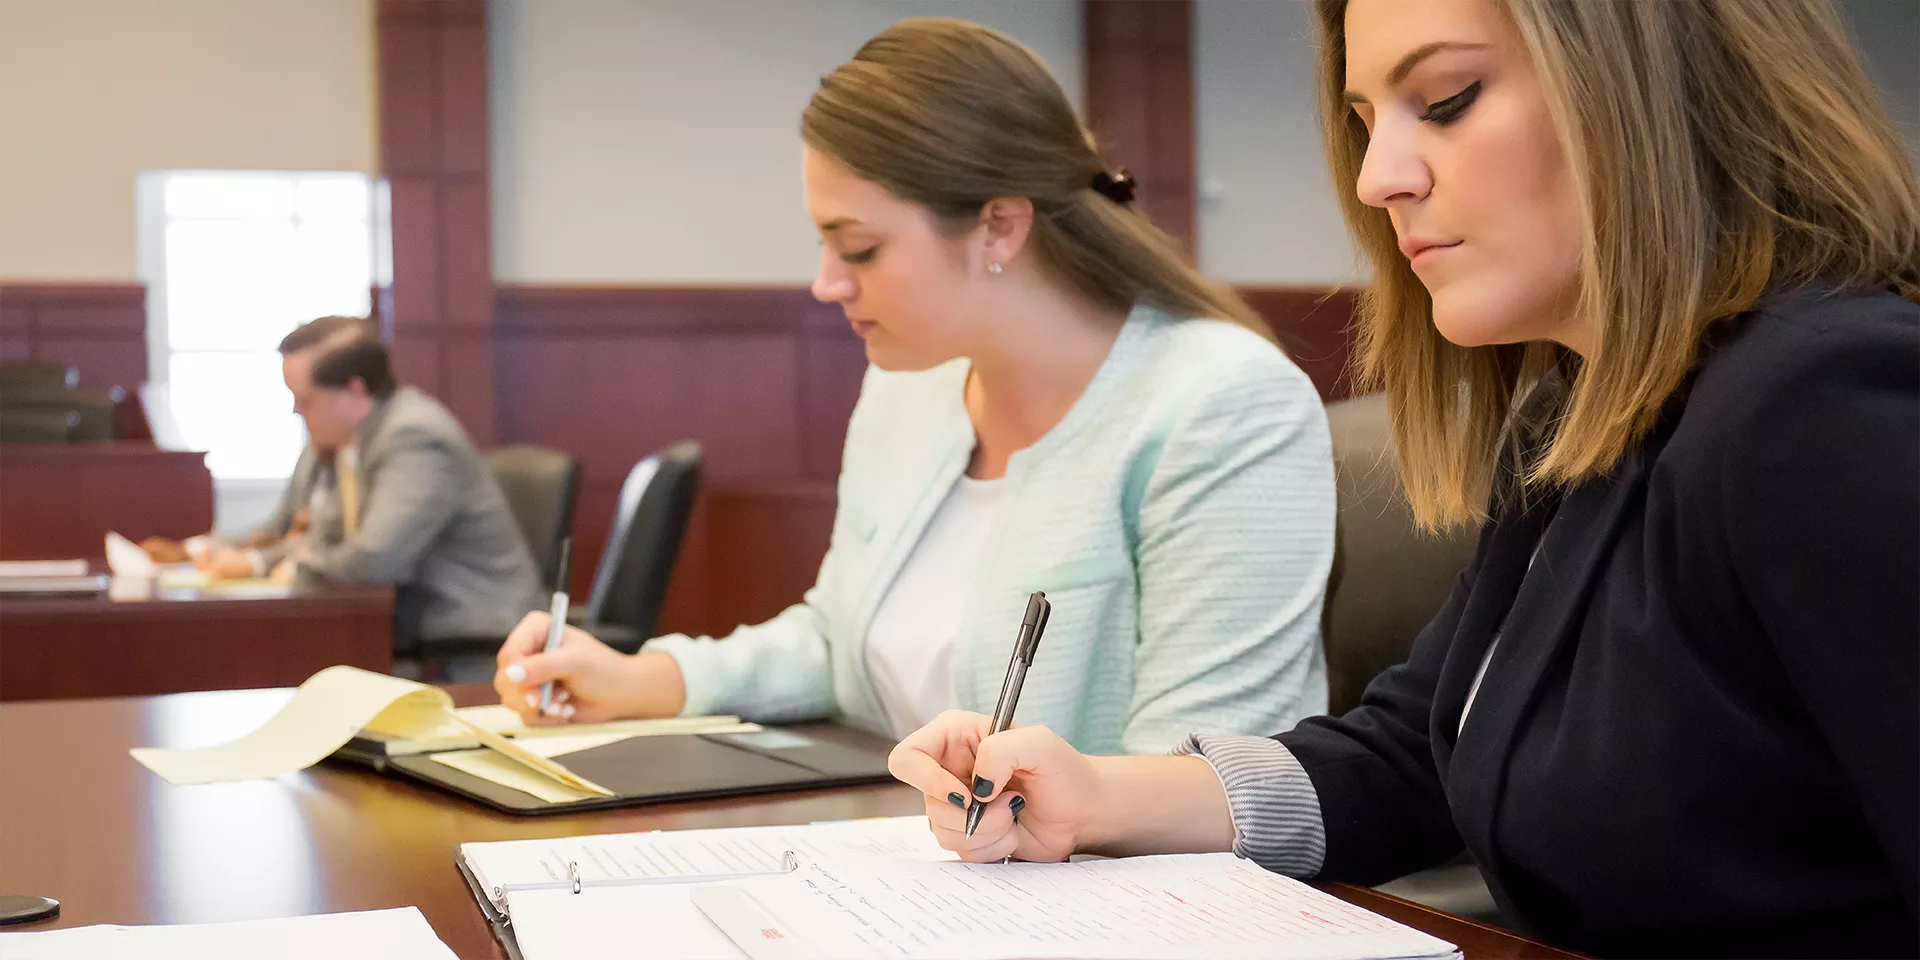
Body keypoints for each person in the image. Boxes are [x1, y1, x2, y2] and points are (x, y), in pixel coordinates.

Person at [887, 0, 1920, 955]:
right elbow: (1416, 757)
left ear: (1654, 84)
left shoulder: (1822, 405)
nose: (1379, 178)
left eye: (1447, 101)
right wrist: (1097, 797)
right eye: (1366, 119)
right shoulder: (1577, 411)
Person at [492, 18, 1336, 754]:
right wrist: (648, 678)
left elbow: (1209, 783)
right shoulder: (911, 390)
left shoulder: (1221, 406)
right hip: (915, 867)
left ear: (999, 226)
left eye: (858, 248)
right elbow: (840, 642)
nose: (827, 283)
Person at [145, 315, 543, 642]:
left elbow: (373, 560)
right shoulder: (343, 442)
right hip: (393, 621)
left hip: (475, 635)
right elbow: (316, 536)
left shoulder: (414, 437)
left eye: (306, 398)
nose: (297, 411)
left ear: (354, 392)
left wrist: (298, 563)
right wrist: (263, 558)